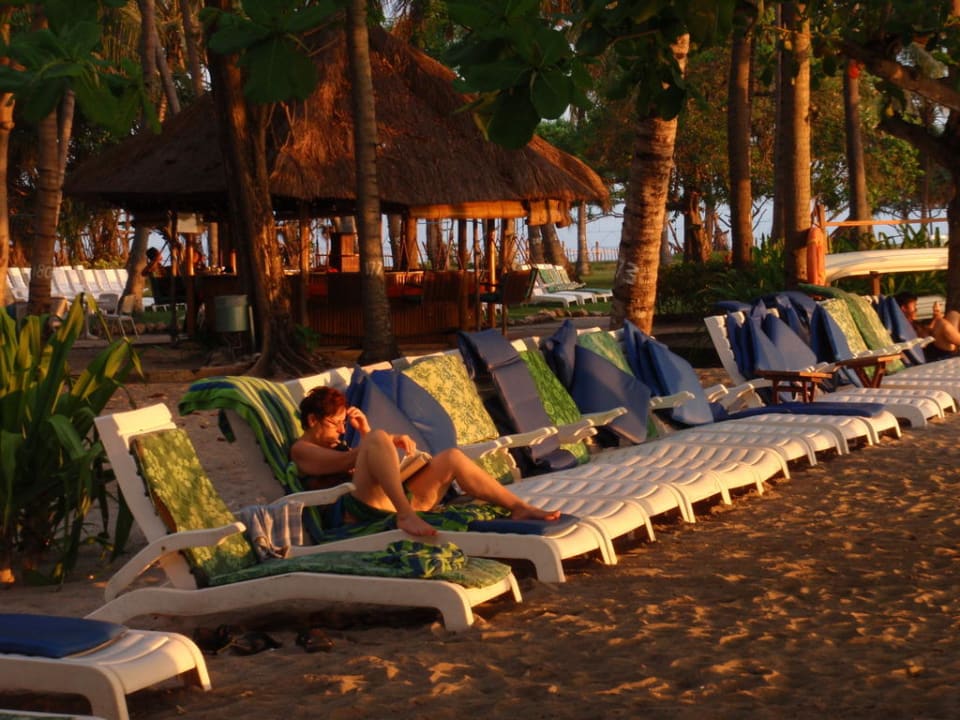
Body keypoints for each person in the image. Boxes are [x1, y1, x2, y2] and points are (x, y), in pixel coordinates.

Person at [290, 386, 560, 537]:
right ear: (313, 421)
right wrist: (374, 436)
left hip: (387, 500)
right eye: (336, 424)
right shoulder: (301, 450)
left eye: (342, 424)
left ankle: (519, 507)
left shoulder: (337, 443)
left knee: (451, 458)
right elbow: (348, 462)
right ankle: (406, 516)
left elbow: (360, 459)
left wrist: (368, 433)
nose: (340, 431)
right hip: (355, 513)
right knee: (378, 437)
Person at [896, 291, 960, 361]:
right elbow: (924, 339)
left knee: (953, 315)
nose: (916, 310)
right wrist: (937, 321)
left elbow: (929, 331)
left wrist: (936, 317)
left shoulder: (913, 323)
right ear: (904, 308)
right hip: (934, 354)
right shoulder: (904, 326)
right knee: (941, 323)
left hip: (938, 345)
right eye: (914, 306)